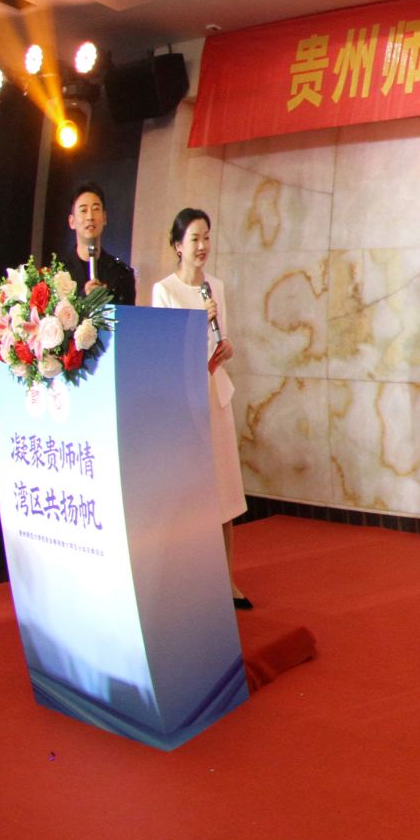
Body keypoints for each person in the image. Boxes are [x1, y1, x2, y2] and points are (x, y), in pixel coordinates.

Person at [149, 208, 249, 608]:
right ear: (178, 245)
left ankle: (227, 580)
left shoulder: (215, 287)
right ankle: (189, 581)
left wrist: (227, 347)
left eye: (207, 237)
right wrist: (194, 323)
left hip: (215, 394)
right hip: (185, 404)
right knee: (190, 494)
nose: (203, 245)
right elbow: (163, 351)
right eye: (194, 239)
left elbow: (221, 339)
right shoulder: (164, 291)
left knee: (224, 491)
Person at [58, 183, 137, 306]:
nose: (90, 217)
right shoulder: (59, 272)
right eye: (83, 210)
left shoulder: (122, 274)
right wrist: (84, 298)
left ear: (104, 218)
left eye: (96, 209)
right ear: (72, 221)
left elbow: (127, 315)